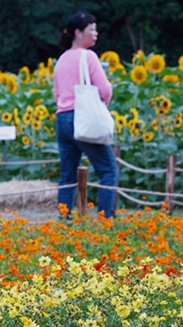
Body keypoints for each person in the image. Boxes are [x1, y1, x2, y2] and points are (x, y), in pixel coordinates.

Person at [53, 12, 118, 219]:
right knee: (108, 170)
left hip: (62, 118)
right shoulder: (88, 56)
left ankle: (64, 219)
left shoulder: (61, 60)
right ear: (78, 33)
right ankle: (105, 219)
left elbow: (56, 93)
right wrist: (101, 107)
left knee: (67, 175)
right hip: (82, 117)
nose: (96, 33)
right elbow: (105, 90)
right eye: (92, 29)